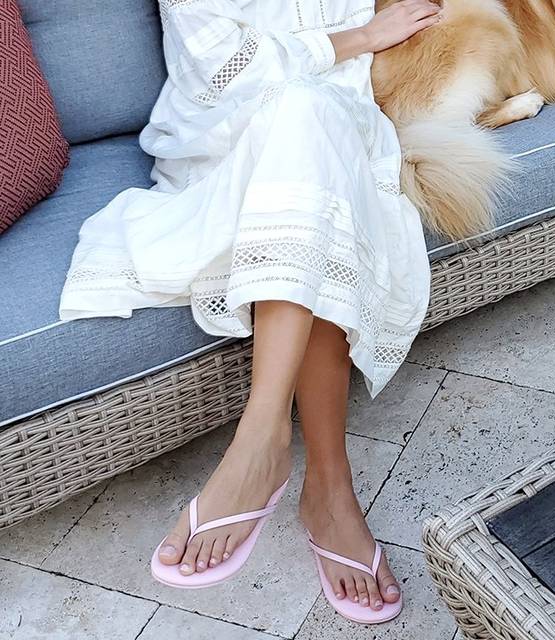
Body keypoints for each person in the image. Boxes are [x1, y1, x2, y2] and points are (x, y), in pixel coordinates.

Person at [59, 0, 441, 624]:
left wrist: (368, 36)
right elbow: (227, 70)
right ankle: (322, 483)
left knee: (313, 126)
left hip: (340, 117)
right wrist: (365, 34)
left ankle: (263, 449)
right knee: (304, 128)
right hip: (223, 136)